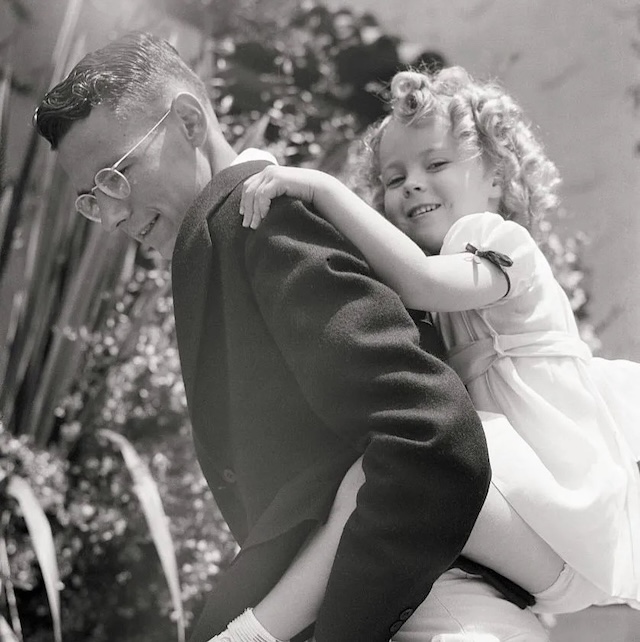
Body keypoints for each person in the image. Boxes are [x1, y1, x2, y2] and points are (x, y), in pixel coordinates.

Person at [32, 33, 558, 642]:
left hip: (430, 611)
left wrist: (265, 630)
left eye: (115, 176)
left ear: (187, 122)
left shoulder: (260, 221)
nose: (114, 214)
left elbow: (428, 436)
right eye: (92, 200)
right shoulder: (227, 237)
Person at [233, 65, 640, 640]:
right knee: (379, 471)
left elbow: (418, 278)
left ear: (496, 176)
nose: (412, 185)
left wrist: (320, 189)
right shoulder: (434, 301)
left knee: (393, 471)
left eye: (436, 164)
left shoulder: (503, 245)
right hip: (533, 549)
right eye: (393, 178)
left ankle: (259, 632)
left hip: (564, 526)